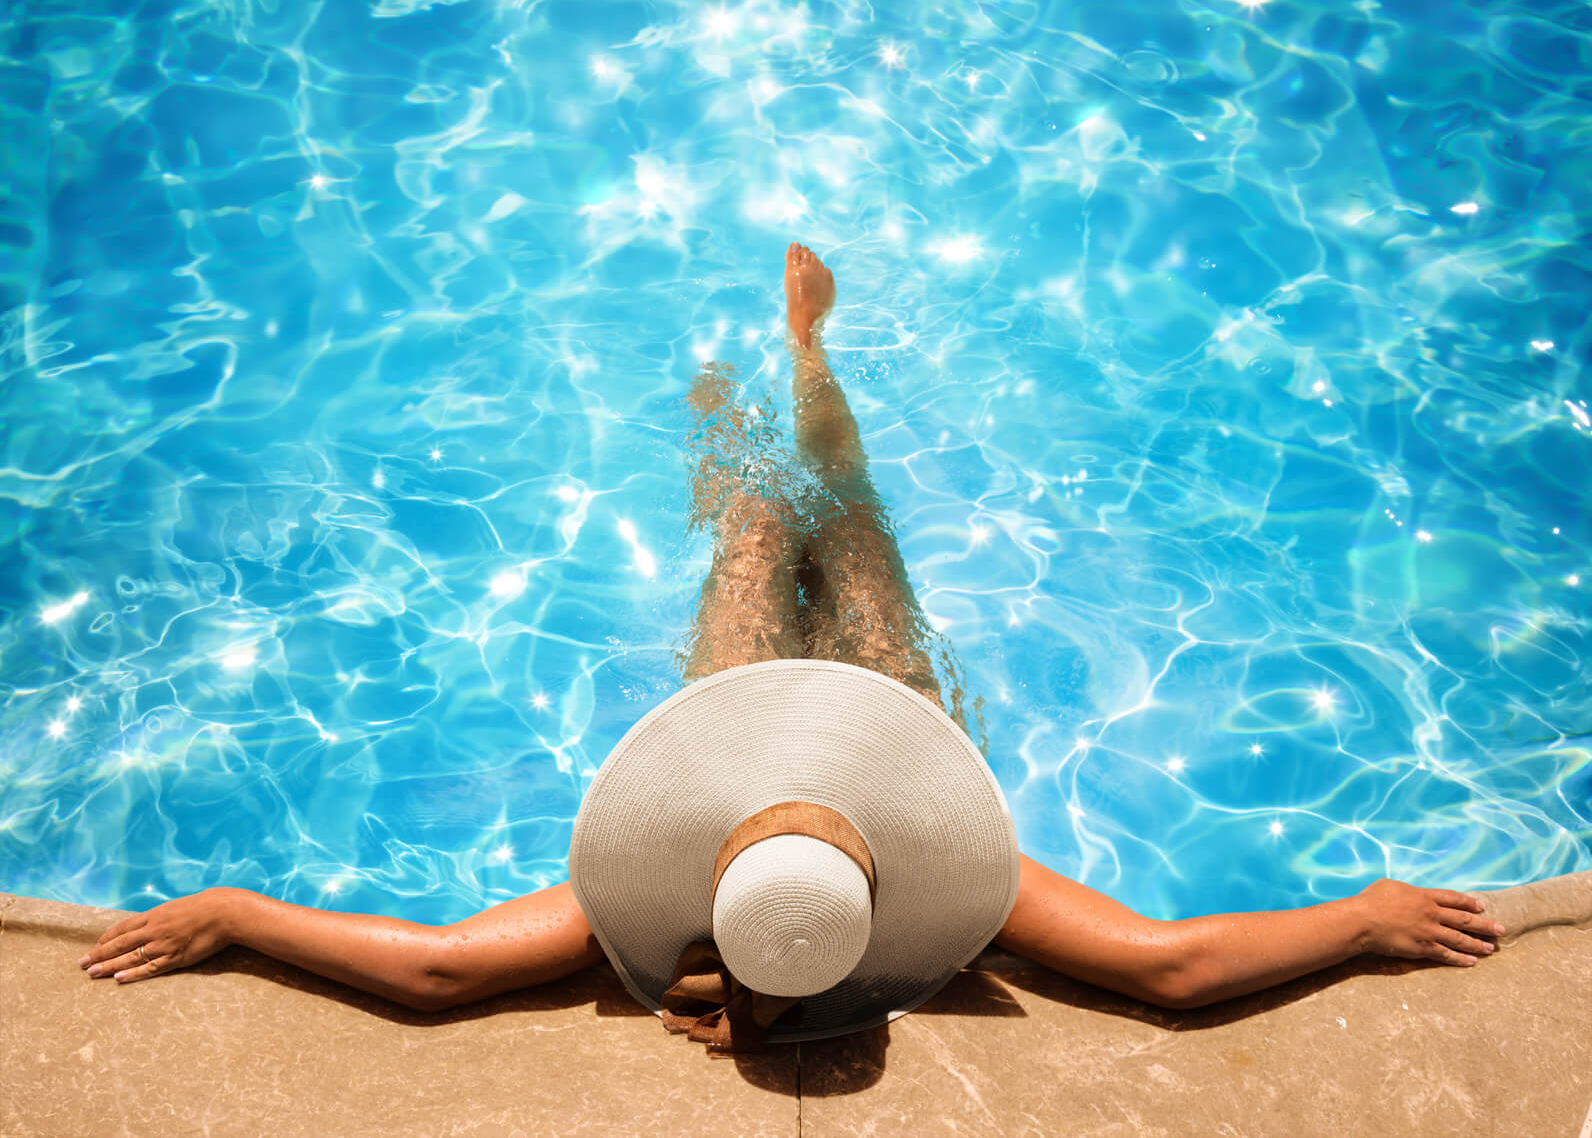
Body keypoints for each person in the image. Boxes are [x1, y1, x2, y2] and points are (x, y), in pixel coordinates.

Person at [77, 242, 1506, 1053]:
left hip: (734, 704)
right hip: (891, 719)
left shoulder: (652, 901)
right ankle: (796, 369)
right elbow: (1171, 971)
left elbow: (445, 973)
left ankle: (780, 376)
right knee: (847, 524)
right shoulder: (960, 894)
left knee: (766, 530)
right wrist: (1363, 916)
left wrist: (242, 914)